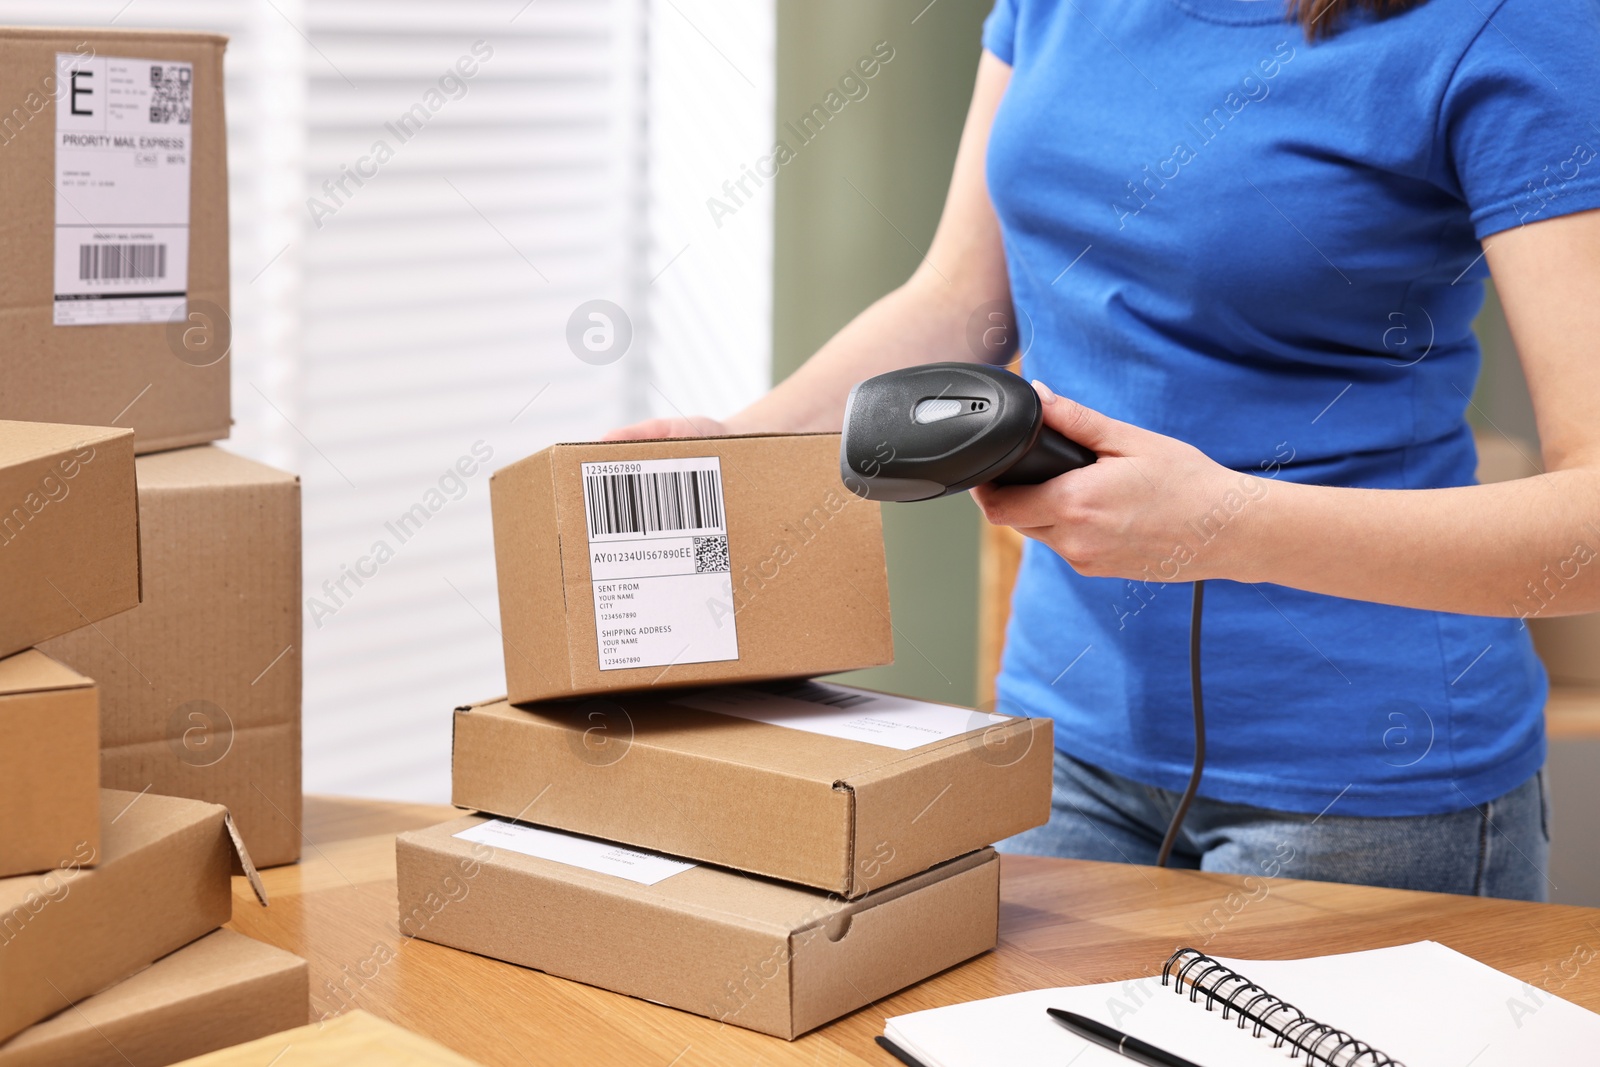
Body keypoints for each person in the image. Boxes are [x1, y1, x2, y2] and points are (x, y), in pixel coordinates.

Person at [607, 0, 1600, 901]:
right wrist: (744, 442)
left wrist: (1226, 526)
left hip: (1364, 790)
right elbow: (962, 300)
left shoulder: (1511, 20)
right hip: (1060, 741)